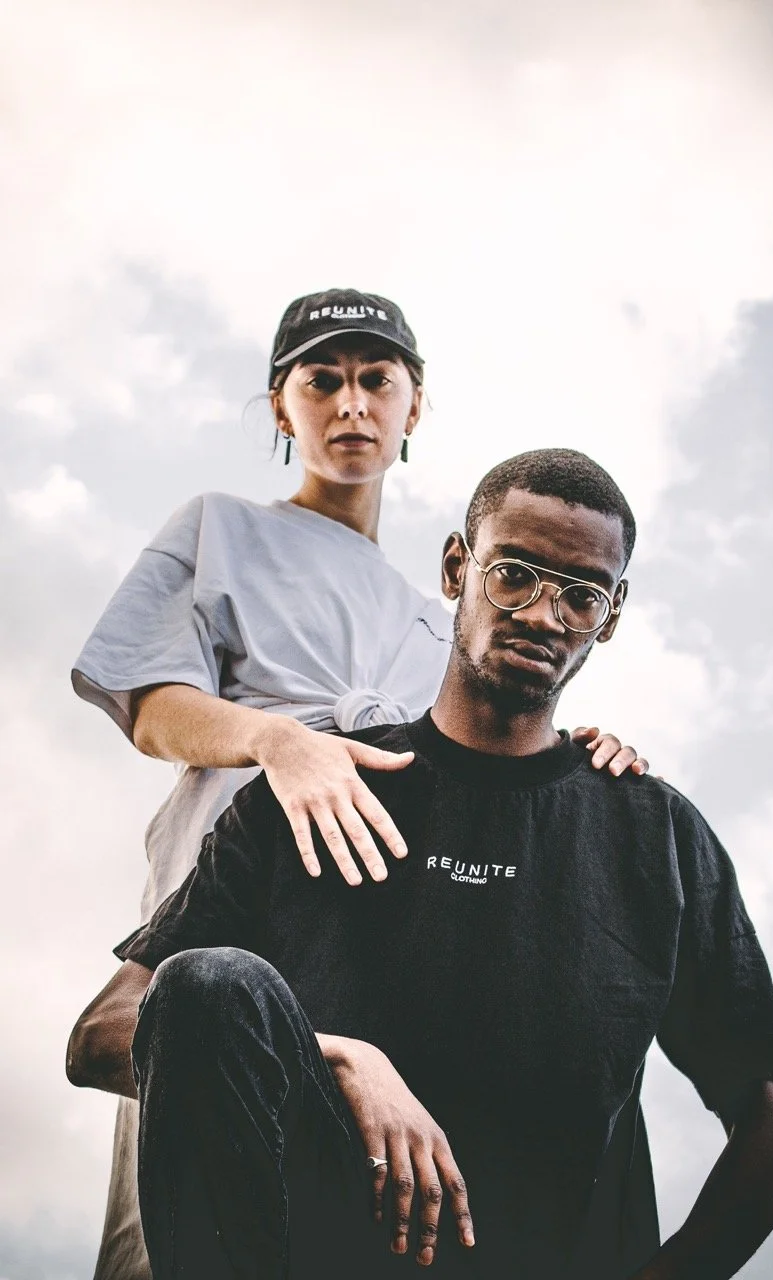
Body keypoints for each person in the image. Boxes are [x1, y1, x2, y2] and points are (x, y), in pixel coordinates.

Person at [67, 449, 773, 1280]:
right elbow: (99, 1035)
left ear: (611, 615)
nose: (542, 614)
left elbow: (771, 1120)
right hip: (307, 1252)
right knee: (210, 981)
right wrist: (330, 1057)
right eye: (514, 576)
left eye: (580, 595)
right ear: (458, 566)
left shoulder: (655, 834)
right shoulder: (313, 791)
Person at [71, 290, 646, 1279]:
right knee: (197, 1125)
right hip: (244, 864)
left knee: (380, 1181)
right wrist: (279, 741)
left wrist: (578, 751)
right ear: (279, 405)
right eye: (320, 378)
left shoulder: (437, 610)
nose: (350, 404)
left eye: (376, 379)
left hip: (383, 908)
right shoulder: (218, 530)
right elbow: (150, 705)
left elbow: (483, 740)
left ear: (412, 406)